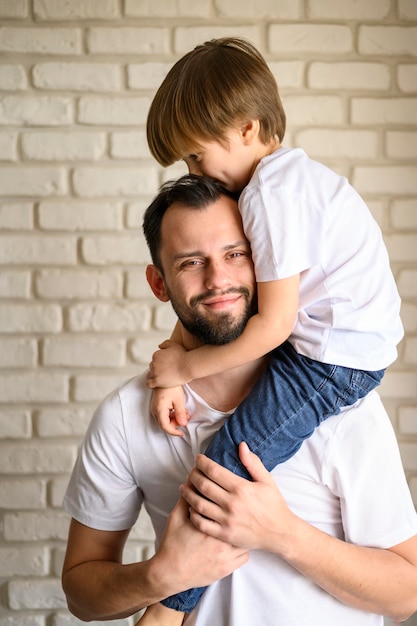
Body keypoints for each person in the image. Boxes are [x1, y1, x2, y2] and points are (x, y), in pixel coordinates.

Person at [61, 175, 417, 626]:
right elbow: (81, 593)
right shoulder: (124, 416)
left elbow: (408, 590)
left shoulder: (341, 407)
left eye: (236, 254)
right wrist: (158, 578)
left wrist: (284, 535)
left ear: (266, 261)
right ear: (159, 282)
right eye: (191, 262)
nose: (219, 280)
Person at [143, 38, 405, 621]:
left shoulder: (271, 194)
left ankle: (167, 610)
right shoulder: (297, 180)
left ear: (246, 128)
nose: (195, 173)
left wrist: (183, 369)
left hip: (330, 364)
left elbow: (272, 324)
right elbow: (237, 312)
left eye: (194, 157)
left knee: (224, 467)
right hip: (330, 346)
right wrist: (173, 364)